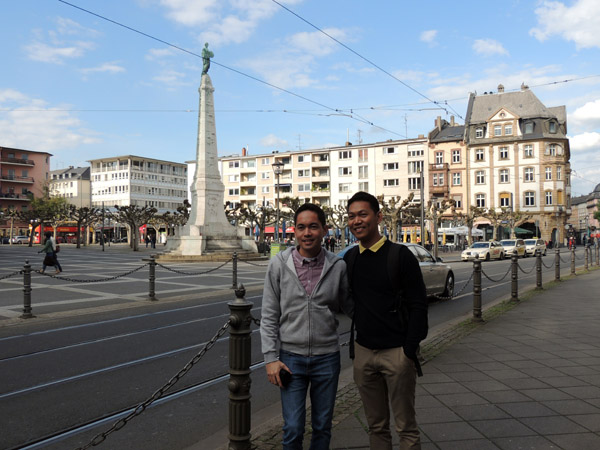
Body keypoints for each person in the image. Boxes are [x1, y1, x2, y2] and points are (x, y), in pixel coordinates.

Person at [260, 203, 351, 450]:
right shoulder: (279, 264)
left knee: (322, 426)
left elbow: (348, 306)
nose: (307, 233)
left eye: (313, 227)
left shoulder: (338, 266)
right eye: (301, 227)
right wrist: (270, 358)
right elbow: (268, 314)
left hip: (327, 358)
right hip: (291, 359)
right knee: (292, 428)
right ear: (295, 231)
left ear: (324, 230)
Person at [344, 191, 428, 450]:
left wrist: (409, 349)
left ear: (378, 217)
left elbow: (418, 304)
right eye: (351, 216)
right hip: (364, 352)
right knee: (376, 426)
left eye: (362, 214)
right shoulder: (350, 258)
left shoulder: (400, 256)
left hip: (396, 352)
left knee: (406, 427)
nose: (356, 221)